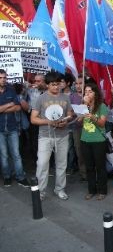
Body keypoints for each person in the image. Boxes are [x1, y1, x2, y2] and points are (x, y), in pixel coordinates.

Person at [31, 72, 73, 200]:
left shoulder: (65, 98)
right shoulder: (41, 98)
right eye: (53, 85)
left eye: (58, 84)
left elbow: (70, 114)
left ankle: (60, 189)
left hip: (62, 135)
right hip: (45, 136)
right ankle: (41, 191)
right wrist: (49, 122)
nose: (56, 87)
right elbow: (33, 119)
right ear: (47, 85)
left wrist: (66, 121)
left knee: (61, 164)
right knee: (42, 164)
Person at [0, 69, 29, 187]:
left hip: (12, 128)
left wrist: (3, 109)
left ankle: (20, 177)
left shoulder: (11, 90)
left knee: (16, 154)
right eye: (0, 78)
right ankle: (7, 176)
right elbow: (13, 105)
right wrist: (9, 104)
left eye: (4, 78)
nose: (3, 80)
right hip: (0, 130)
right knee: (4, 155)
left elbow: (18, 108)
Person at [80, 83, 109, 201]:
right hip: (85, 139)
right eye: (85, 92)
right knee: (89, 166)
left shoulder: (102, 106)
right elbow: (79, 121)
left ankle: (102, 190)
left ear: (96, 94)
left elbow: (102, 123)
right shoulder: (83, 106)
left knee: (100, 166)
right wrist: (82, 110)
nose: (87, 94)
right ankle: (91, 190)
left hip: (98, 140)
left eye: (90, 91)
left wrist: (92, 116)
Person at [69, 74, 86, 181]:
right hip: (77, 127)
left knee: (89, 150)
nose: (78, 86)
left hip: (89, 127)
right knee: (79, 151)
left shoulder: (90, 95)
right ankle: (84, 174)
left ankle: (93, 171)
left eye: (81, 83)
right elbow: (69, 112)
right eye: (76, 84)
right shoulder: (71, 96)